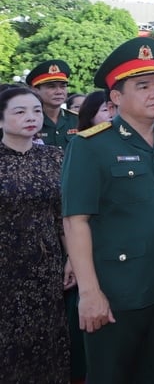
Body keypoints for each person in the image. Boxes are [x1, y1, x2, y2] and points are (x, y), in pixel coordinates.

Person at [62, 37, 154, 384]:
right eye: (142, 87)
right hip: (118, 292)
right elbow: (76, 220)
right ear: (115, 97)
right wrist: (90, 292)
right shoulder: (90, 146)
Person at [0, 86, 72, 382]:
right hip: (5, 269)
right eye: (20, 112)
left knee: (49, 341)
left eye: (36, 111)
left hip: (47, 266)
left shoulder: (55, 158)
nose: (31, 117)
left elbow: (64, 214)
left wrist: (72, 259)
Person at [27, 59, 79, 149]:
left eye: (63, 86)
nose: (59, 92)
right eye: (51, 87)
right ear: (35, 90)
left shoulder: (78, 119)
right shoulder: (28, 121)